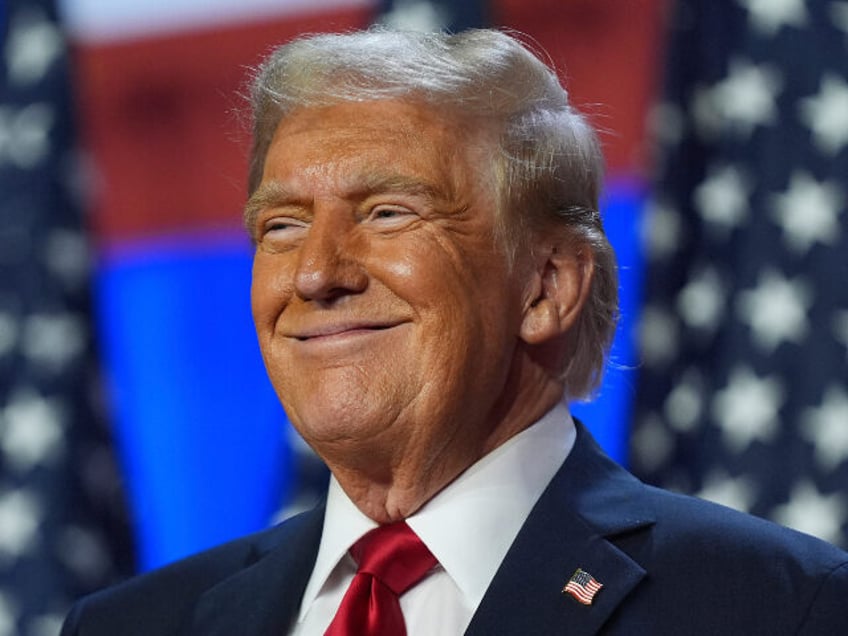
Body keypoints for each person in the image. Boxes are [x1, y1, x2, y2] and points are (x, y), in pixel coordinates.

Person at [62, 28, 847, 635]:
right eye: (281, 226)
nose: (314, 273)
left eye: (386, 213)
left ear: (546, 286)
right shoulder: (133, 626)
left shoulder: (778, 606)